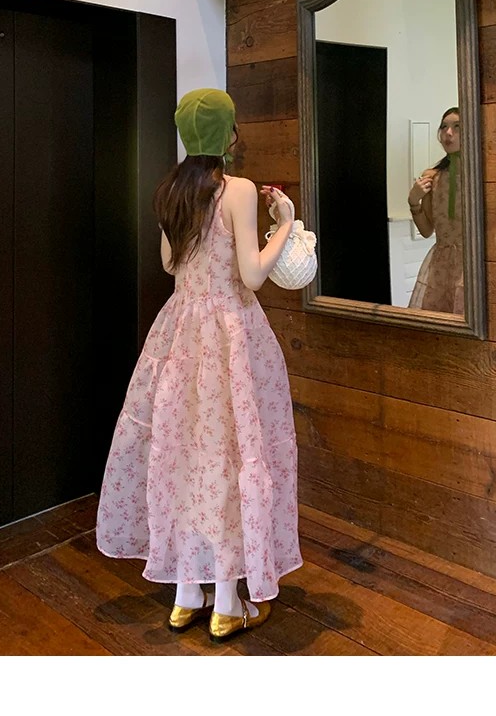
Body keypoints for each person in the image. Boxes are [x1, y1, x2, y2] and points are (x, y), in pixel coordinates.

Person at [96, 88, 302, 642]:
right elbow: (252, 276)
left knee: (185, 457)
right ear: (230, 134)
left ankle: (187, 595)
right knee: (231, 460)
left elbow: (170, 264)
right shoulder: (239, 189)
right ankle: (228, 604)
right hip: (231, 337)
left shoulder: (171, 190)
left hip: (180, 334)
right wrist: (285, 223)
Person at [407, 106, 464, 315]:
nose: (448, 133)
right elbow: (426, 230)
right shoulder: (432, 176)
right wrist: (413, 201)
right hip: (441, 265)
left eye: (457, 127)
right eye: (444, 127)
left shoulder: (482, 174)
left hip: (472, 263)